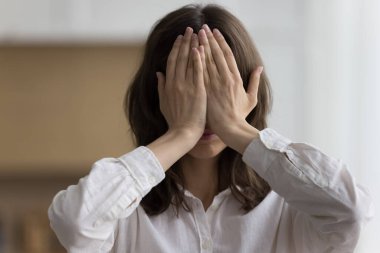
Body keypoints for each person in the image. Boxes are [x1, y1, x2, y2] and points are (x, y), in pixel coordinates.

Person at [48, 4, 372, 253]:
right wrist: (180, 134)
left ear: (248, 92)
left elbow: (352, 212)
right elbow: (75, 222)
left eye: (219, 90)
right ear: (158, 95)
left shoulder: (291, 205)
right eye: (188, 91)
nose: (204, 111)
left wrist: (234, 127)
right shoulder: (124, 212)